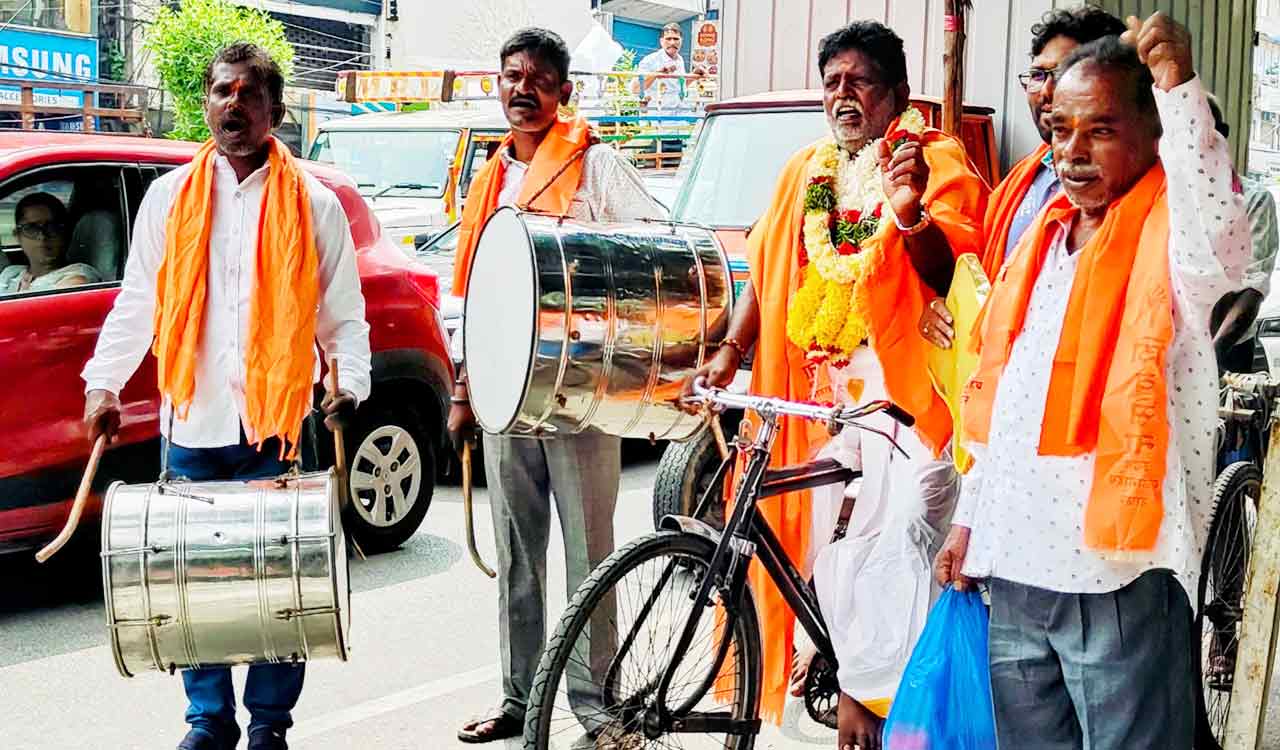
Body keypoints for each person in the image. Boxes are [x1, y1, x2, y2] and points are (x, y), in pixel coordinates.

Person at [935, 15, 1250, 750]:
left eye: (1101, 129)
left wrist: (1179, 90)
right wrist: (969, 516)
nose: (1072, 153)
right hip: (1014, 572)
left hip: (1118, 578)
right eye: (1061, 130)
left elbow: (1224, 245)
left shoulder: (1174, 241)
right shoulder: (1045, 235)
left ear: (1153, 132)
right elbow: (1006, 405)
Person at [683, 20, 987, 749]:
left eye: (860, 81)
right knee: (810, 544)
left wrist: (911, 217)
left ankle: (881, 698)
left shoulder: (934, 160)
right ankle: (828, 670)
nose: (842, 95)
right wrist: (731, 349)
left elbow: (957, 256)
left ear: (898, 94)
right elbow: (767, 268)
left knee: (895, 533)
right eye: (832, 82)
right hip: (816, 385)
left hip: (904, 388)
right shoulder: (805, 171)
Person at [81, 43, 371, 750]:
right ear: (205, 103)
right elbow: (139, 303)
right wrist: (103, 383)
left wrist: (351, 384)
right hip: (194, 421)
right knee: (191, 587)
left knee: (283, 586)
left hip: (273, 427)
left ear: (273, 110)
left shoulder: (314, 203)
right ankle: (209, 723)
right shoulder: (170, 199)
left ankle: (270, 727)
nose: (231, 105)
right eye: (220, 92)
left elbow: (343, 312)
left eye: (247, 94)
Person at [447, 27, 666, 745]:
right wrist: (461, 388)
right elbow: (470, 294)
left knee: (588, 556)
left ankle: (598, 709)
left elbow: (650, 246)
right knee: (517, 555)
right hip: (505, 395)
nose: (522, 88)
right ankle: (518, 699)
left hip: (575, 391)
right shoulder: (489, 178)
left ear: (564, 92)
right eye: (511, 75)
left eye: (538, 77)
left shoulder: (597, 164)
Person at [918, 6, 1126, 351]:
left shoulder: (1131, 182)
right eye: (1038, 75)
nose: (1046, 91)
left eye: (1063, 73)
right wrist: (944, 307)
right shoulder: (1024, 179)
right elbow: (980, 278)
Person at [1206, 95, 1279, 374]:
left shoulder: (1254, 200)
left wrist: (1210, 357)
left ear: (1219, 136)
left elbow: (1252, 288)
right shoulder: (1165, 198)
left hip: (1228, 349)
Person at [0, 192, 100, 293]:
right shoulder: (10, 273)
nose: (42, 236)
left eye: (52, 227)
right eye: (31, 228)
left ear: (65, 233)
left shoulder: (77, 279)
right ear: (17, 236)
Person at [637, 23, 692, 112]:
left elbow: (678, 86)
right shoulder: (650, 60)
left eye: (676, 39)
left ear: (681, 41)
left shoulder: (680, 59)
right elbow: (635, 88)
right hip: (658, 113)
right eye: (668, 39)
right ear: (661, 41)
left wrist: (694, 76)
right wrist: (655, 75)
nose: (672, 42)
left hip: (678, 112)